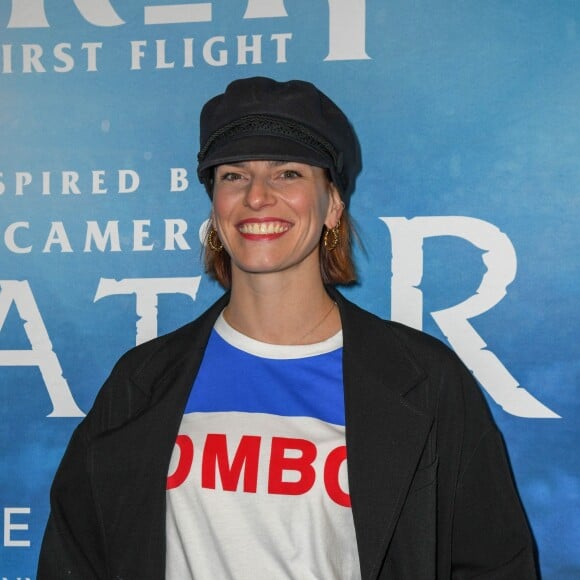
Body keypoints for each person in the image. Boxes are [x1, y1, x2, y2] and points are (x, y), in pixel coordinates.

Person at [37, 77, 538, 579]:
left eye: (288, 173)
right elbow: (75, 556)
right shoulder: (142, 380)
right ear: (215, 205)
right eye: (233, 175)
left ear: (333, 205)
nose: (257, 196)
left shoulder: (425, 381)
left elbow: (493, 563)